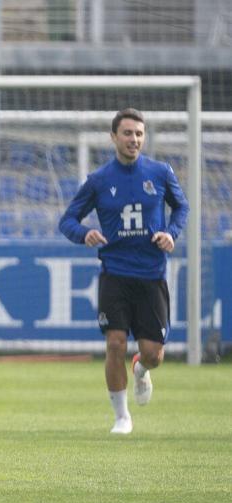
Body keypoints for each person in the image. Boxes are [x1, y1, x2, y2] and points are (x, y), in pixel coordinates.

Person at [58, 107, 189, 435]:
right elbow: (67, 220)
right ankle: (121, 417)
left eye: (139, 134)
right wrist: (83, 234)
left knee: (154, 354)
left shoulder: (160, 172)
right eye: (128, 133)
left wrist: (171, 233)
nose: (134, 139)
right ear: (114, 137)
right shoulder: (99, 180)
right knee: (115, 342)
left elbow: (182, 207)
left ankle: (142, 368)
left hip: (151, 274)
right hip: (114, 273)